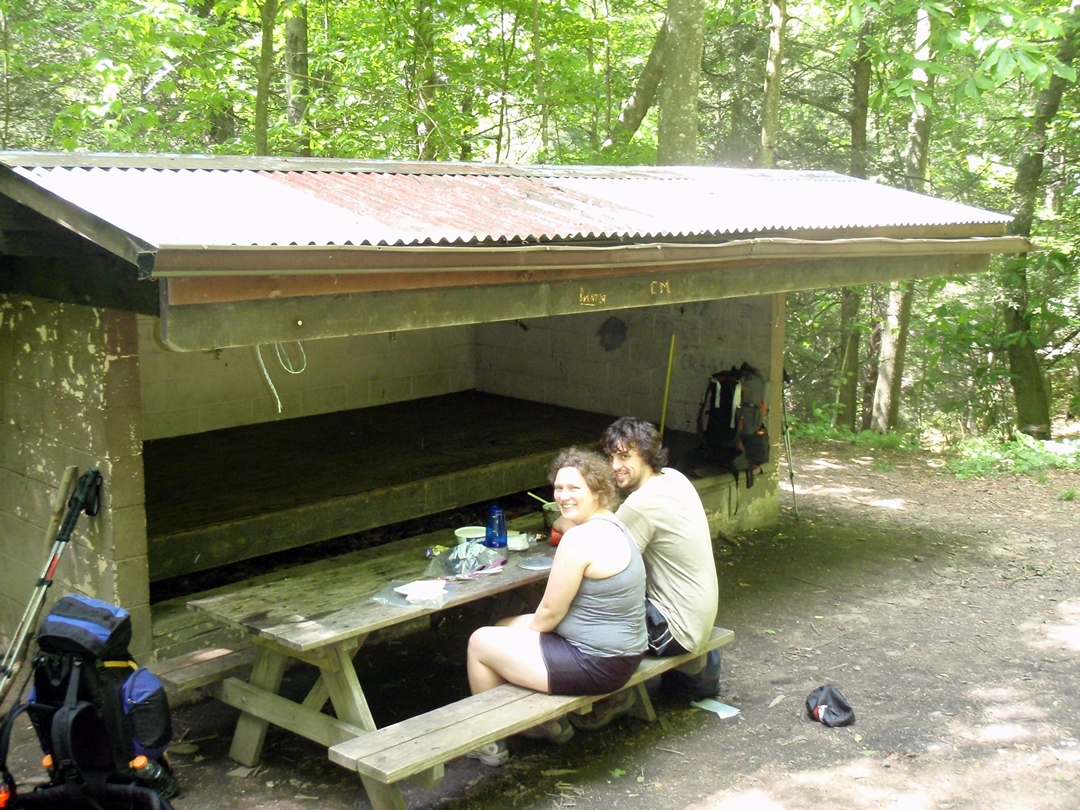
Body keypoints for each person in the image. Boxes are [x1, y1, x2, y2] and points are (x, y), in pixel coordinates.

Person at [465, 447, 647, 766]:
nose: (563, 496)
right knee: (503, 626)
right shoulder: (615, 526)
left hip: (597, 662)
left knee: (480, 642)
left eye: (574, 488)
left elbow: (548, 615)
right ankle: (543, 722)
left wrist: (530, 640)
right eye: (558, 488)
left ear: (599, 491)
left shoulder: (579, 541)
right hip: (624, 654)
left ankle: (490, 740)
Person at [564, 416, 720, 729]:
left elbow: (604, 561)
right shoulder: (674, 478)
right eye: (610, 457)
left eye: (624, 456)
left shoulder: (641, 504)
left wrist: (567, 521)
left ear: (646, 456)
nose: (615, 465)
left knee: (581, 613)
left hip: (675, 628)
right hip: (700, 613)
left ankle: (612, 695)